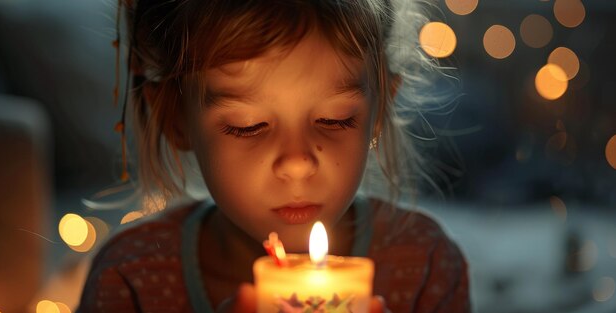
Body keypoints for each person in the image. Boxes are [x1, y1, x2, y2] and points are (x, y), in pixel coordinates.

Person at [78, 0, 470, 312]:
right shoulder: (131, 278)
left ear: (379, 110)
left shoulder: (425, 265)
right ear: (176, 118)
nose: (297, 162)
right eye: (248, 126)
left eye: (334, 120)